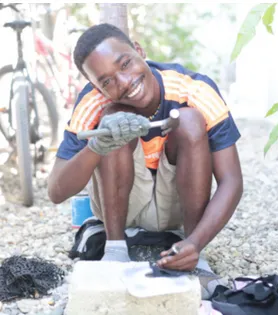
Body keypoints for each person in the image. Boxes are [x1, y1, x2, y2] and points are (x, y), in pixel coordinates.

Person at [48, 23, 243, 272]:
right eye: (107, 82)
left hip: (177, 209)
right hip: (119, 207)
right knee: (114, 118)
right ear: (97, 88)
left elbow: (232, 181)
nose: (125, 82)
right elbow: (56, 191)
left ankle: (191, 255)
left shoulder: (194, 88)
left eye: (125, 64)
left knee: (189, 120)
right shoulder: (92, 102)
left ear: (139, 50)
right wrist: (97, 146)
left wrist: (196, 243)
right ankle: (115, 250)